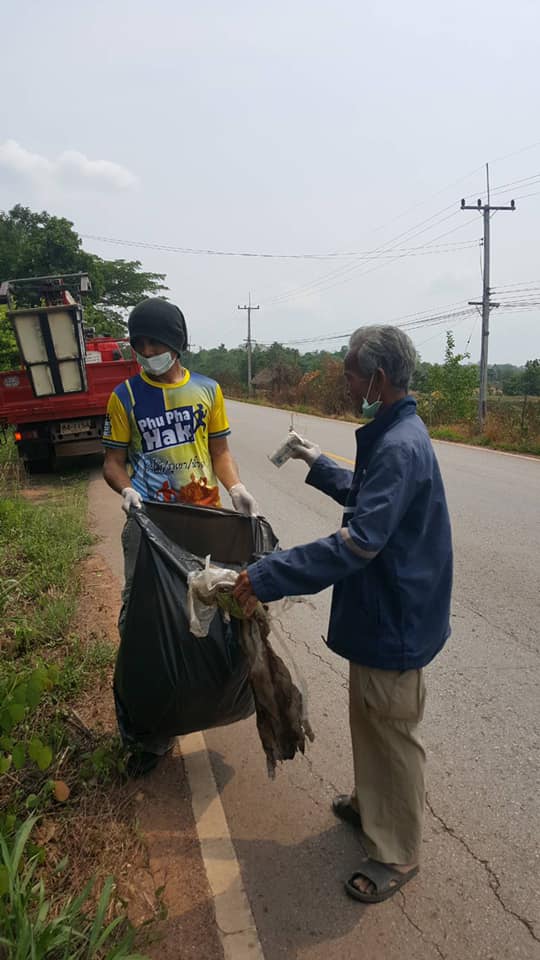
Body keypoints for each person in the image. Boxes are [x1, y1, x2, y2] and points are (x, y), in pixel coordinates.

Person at [234, 325, 452, 903]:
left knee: (390, 730)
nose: (347, 379)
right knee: (370, 716)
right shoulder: (394, 431)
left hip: (396, 615)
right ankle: (370, 805)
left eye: (353, 371)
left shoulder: (402, 445)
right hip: (383, 610)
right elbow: (369, 492)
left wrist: (265, 575)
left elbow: (358, 542)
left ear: (377, 379)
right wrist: (318, 461)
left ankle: (397, 852)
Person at [103, 297, 258, 774]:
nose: (147, 350)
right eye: (140, 343)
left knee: (208, 622)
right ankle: (148, 737)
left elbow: (220, 452)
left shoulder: (208, 392)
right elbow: (112, 462)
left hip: (203, 522)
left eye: (156, 342)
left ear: (177, 345)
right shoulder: (125, 397)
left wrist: (235, 487)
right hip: (150, 528)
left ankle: (197, 705)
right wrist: (127, 492)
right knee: (142, 626)